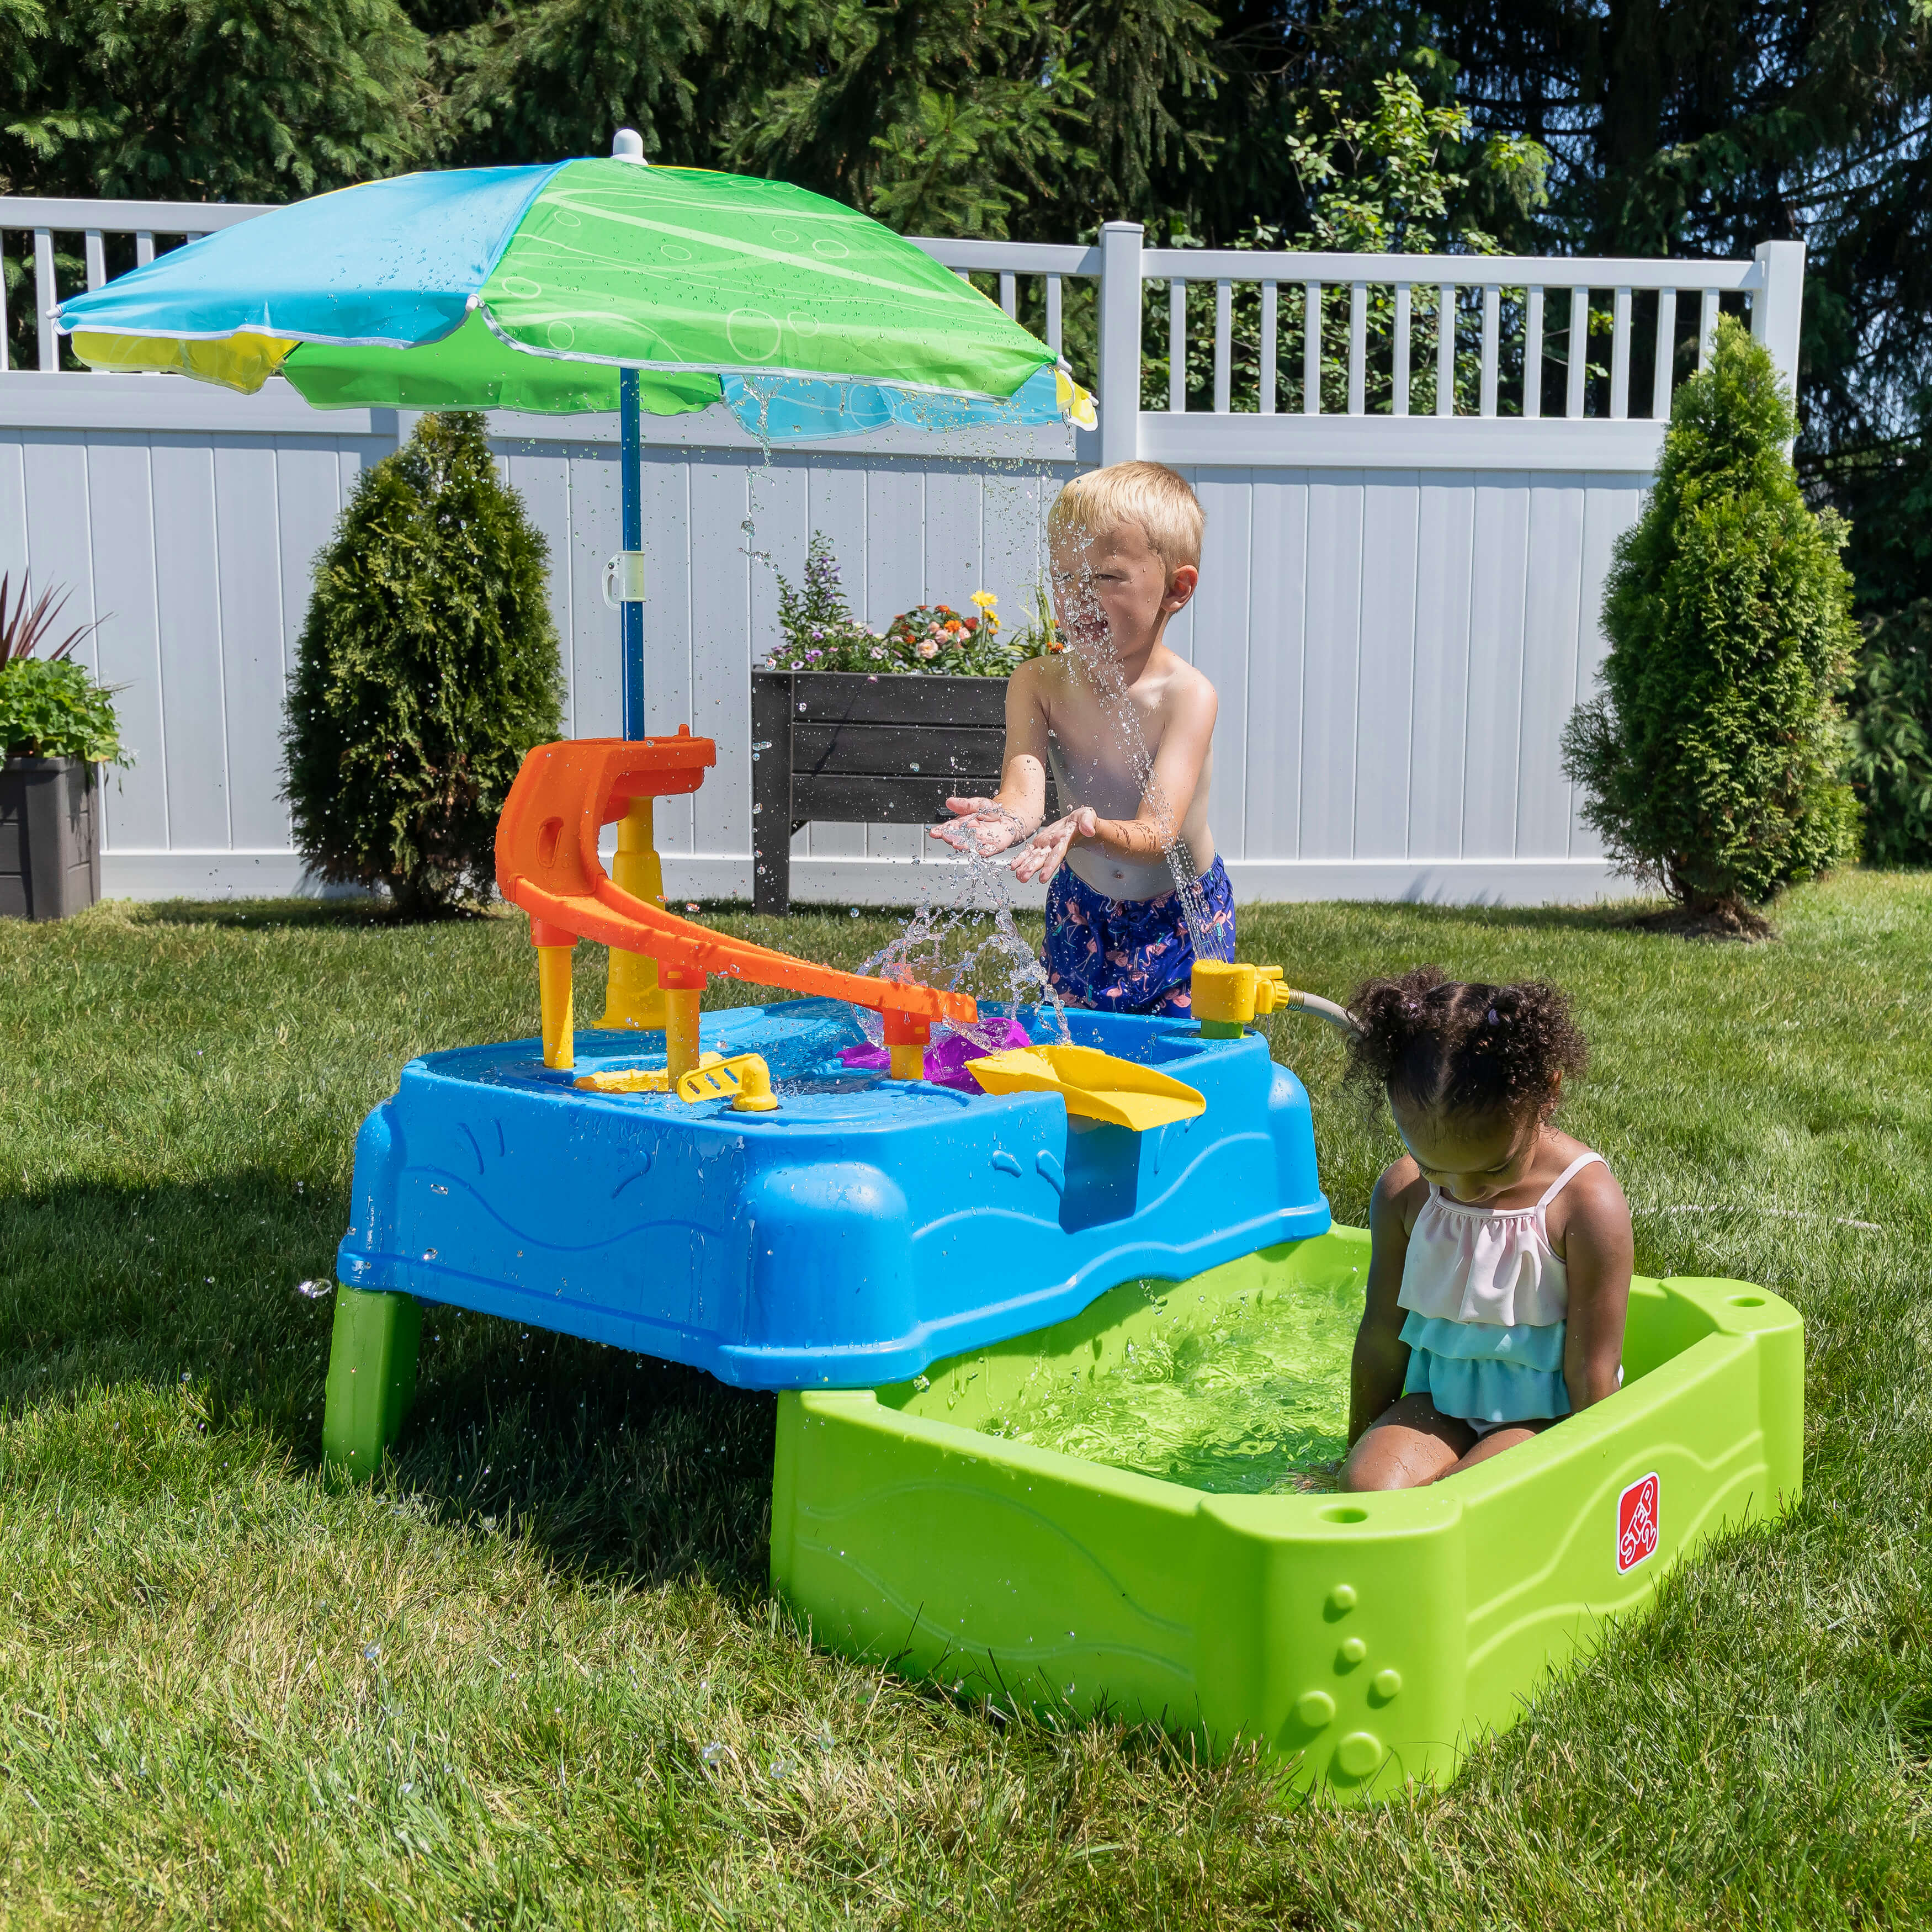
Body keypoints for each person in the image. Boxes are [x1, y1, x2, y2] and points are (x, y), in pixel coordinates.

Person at [928, 461, 1232, 1017]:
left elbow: (1157, 830)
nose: (1077, 597)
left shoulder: (1186, 696)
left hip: (1180, 912)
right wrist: (1010, 820)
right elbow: (1023, 794)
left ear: (1176, 588)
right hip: (1079, 904)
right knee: (1076, 1046)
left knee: (1185, 1063)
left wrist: (1087, 828)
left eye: (1105, 577)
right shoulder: (1037, 683)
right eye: (1063, 576)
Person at [1338, 967, 1633, 1490]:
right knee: (1366, 1489)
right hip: (1440, 1402)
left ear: (1548, 1093)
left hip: (1541, 1416)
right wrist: (1351, 1446)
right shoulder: (1403, 1195)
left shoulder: (1583, 1203)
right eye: (1433, 1166)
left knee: (1463, 1502)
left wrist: (1601, 1482)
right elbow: (1383, 1338)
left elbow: (1593, 1372)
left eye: (1493, 1169)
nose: (1463, 1191)